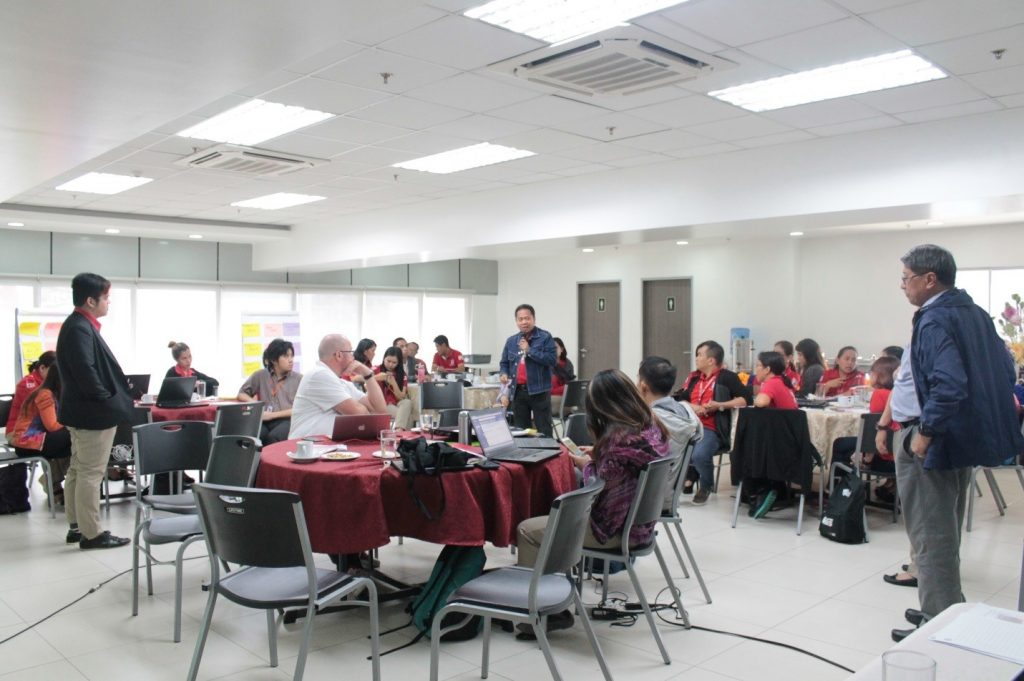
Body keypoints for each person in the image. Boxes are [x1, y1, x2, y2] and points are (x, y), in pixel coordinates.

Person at [885, 244, 1023, 642]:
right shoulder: (975, 313)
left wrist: (925, 435)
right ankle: (943, 606)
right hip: (959, 437)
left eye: (906, 278)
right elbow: (1003, 368)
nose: (903, 286)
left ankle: (939, 624)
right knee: (943, 529)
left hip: (932, 438)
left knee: (931, 535)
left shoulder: (935, 319)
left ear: (930, 279)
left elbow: (948, 385)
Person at [514, 369, 669, 634]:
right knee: (557, 515)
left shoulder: (618, 444)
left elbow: (599, 495)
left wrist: (590, 466)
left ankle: (542, 613)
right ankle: (555, 597)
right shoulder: (650, 429)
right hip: (640, 526)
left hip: (614, 531)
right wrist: (597, 459)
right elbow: (620, 476)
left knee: (529, 530)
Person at [56, 273, 134, 549]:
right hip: (92, 414)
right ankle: (92, 534)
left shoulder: (78, 325)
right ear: (91, 300)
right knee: (90, 472)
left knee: (78, 469)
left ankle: (77, 526)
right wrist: (106, 400)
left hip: (81, 412)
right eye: (106, 298)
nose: (109, 302)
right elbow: (85, 372)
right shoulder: (79, 327)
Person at [673, 340, 751, 503]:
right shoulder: (695, 378)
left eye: (700, 354)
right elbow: (681, 400)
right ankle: (686, 479)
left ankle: (706, 485)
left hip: (712, 427)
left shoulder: (727, 377)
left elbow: (745, 399)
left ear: (711, 360)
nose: (696, 358)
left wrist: (720, 405)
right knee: (669, 446)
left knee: (700, 455)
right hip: (690, 425)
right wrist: (696, 407)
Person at [289, 334, 388, 440]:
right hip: (306, 447)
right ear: (339, 355)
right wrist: (365, 410)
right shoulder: (319, 374)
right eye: (351, 352)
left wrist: (367, 374)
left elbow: (380, 410)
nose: (354, 357)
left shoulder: (342, 383)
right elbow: (360, 415)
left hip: (326, 447)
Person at [637, 357, 702, 510]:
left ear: (643, 386)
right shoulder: (686, 411)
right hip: (668, 494)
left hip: (644, 498)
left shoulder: (649, 420)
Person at [13, 363, 72, 506]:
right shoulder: (45, 394)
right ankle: (57, 481)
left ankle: (53, 480)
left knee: (72, 439)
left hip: (40, 438)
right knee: (72, 435)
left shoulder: (54, 393)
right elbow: (52, 426)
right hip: (27, 441)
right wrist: (72, 422)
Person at [499, 304, 557, 436]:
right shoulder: (511, 341)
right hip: (518, 391)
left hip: (539, 390)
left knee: (544, 429)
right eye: (520, 319)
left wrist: (529, 350)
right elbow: (504, 363)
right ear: (516, 321)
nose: (524, 322)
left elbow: (552, 360)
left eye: (527, 318)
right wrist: (503, 373)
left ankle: (548, 455)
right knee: (520, 431)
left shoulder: (545, 337)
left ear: (533, 319)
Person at [236, 338, 302, 444]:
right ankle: (254, 461)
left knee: (274, 437)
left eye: (292, 356)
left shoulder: (299, 379)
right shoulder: (260, 375)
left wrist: (272, 415)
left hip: (287, 421)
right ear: (273, 360)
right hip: (264, 420)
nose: (291, 360)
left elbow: (299, 409)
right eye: (286, 356)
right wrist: (258, 404)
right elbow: (241, 394)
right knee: (252, 436)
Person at [6, 351, 56, 442]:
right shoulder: (28, 384)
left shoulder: (46, 385)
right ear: (42, 368)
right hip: (18, 433)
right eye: (55, 371)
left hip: (38, 428)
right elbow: (46, 415)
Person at [373, 346, 413, 429]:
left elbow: (401, 396)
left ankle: (399, 431)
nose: (390, 364)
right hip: (382, 403)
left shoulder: (402, 374)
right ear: (384, 358)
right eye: (388, 361)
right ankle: (400, 433)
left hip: (397, 402)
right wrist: (377, 377)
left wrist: (393, 383)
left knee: (407, 402)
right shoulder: (376, 369)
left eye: (394, 362)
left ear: (399, 363)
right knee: (408, 417)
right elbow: (358, 378)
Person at [549, 337, 576, 418]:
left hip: (566, 397)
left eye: (555, 347)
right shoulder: (547, 364)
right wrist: (566, 388)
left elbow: (570, 385)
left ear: (562, 349)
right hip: (552, 398)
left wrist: (567, 388)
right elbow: (550, 390)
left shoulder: (568, 364)